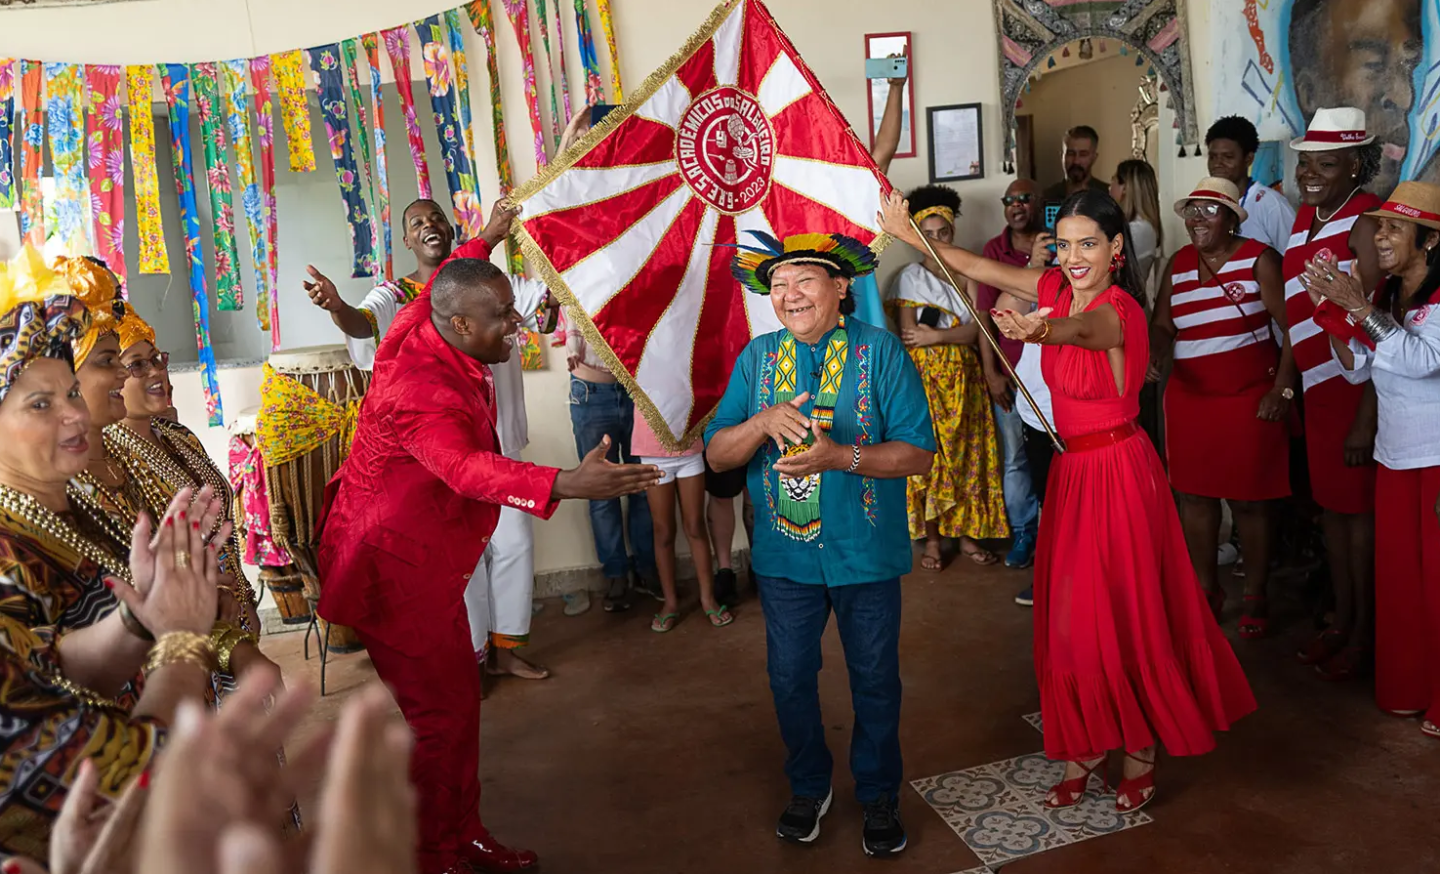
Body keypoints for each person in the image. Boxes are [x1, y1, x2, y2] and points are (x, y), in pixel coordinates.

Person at [880, 188, 1256, 814]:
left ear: (1115, 250)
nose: (1075, 257)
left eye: (1090, 245)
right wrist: (908, 234)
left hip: (1119, 471)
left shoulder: (1120, 310)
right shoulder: (1052, 284)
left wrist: (1041, 329)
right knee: (1074, 614)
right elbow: (974, 265)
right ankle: (1086, 745)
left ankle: (1139, 750)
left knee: (1124, 611)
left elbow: (1083, 330)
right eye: (1066, 245)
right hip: (1075, 474)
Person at [317, 250, 661, 874]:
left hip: (418, 557)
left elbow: (456, 275)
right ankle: (433, 854)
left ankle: (463, 832)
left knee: (455, 707)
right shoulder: (421, 388)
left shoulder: (429, 316)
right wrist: (564, 482)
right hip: (390, 569)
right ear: (460, 327)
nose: (517, 325)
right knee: (438, 718)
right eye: (502, 317)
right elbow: (464, 467)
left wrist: (493, 232)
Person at [706, 231, 934, 857]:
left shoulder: (882, 353)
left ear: (841, 287)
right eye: (778, 285)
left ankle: (879, 793)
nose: (789, 294)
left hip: (865, 551)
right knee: (788, 678)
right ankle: (809, 785)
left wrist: (840, 456)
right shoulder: (756, 359)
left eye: (804, 280)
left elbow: (916, 453)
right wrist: (759, 421)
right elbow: (716, 452)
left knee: (875, 680)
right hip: (785, 559)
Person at [0, 244, 229, 861]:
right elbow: (114, 776)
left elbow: (49, 664)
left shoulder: (71, 501)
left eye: (72, 390)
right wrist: (180, 638)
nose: (75, 413)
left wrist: (141, 618)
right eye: (41, 404)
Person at [307, 200, 555, 679]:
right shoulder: (396, 294)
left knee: (514, 545)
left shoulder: (487, 282)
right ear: (406, 241)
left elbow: (543, 315)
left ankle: (507, 649)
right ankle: (474, 658)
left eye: (435, 218)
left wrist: (565, 276)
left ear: (451, 227)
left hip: (503, 441)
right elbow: (365, 324)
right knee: (460, 560)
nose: (428, 226)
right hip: (441, 458)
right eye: (416, 222)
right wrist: (338, 307)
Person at [1302, 180, 1440, 740]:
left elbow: (1423, 361)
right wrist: (1338, 319)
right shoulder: (1386, 294)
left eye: (1393, 228)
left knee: (1436, 584)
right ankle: (1408, 689)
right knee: (1403, 584)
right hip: (1395, 455)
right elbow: (1360, 368)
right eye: (1378, 226)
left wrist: (1356, 306)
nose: (1379, 237)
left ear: (1429, 242)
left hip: (1435, 458)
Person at [1150, 178, 1295, 638]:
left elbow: (1293, 330)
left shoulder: (1260, 260)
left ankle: (1255, 594)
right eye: (1192, 210)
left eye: (1210, 211)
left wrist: (1284, 390)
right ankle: (1205, 588)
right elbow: (1163, 325)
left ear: (1232, 219)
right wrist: (1153, 354)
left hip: (1249, 396)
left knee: (1250, 501)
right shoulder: (1178, 264)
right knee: (1194, 496)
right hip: (1191, 398)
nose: (1197, 219)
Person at [1283, 107, 1384, 680]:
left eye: (1326, 163)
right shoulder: (1307, 215)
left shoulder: (1365, 221)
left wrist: (1365, 418)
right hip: (1317, 393)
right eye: (1306, 163)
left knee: (1360, 520)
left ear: (1355, 165)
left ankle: (1366, 635)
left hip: (1353, 393)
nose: (1311, 173)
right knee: (1335, 518)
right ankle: (1343, 623)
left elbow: (1378, 321)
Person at [890, 185, 1008, 568]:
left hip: (966, 379)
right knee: (933, 457)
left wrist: (938, 335)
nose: (938, 240)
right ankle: (934, 541)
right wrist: (943, 335)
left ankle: (969, 535)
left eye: (944, 233)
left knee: (968, 455)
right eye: (930, 234)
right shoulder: (909, 277)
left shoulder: (969, 271)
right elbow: (910, 338)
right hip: (926, 382)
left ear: (953, 233)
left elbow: (978, 330)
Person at [977, 179, 1048, 574]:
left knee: (1056, 458)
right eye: (1010, 200)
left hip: (1053, 376)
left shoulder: (1061, 245)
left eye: (1025, 199)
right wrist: (991, 372)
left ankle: (1058, 533)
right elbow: (986, 316)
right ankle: (1024, 534)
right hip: (1011, 375)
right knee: (1016, 459)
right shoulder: (994, 251)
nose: (1017, 206)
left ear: (1039, 204)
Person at [1288, 0, 1421, 194]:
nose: (1405, 98)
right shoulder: (1311, 215)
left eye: (1411, 66)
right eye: (1374, 64)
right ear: (1309, 91)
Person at [632, 416, 731, 632]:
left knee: (695, 525)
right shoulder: (637, 379)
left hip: (690, 448)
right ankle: (670, 602)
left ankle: (708, 599)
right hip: (653, 451)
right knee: (663, 531)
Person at [1206, 116, 1298, 252]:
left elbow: (1294, 259)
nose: (1217, 164)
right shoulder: (1207, 204)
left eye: (1228, 157)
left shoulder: (1271, 205)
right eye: (1212, 157)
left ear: (1248, 159)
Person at [1108, 159, 1165, 287]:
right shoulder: (1136, 226)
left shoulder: (1139, 229)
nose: (1109, 187)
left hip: (1125, 302)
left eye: (1114, 180)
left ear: (1125, 188)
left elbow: (1106, 267)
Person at [1042, 126, 1108, 204]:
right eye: (1070, 154)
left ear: (1094, 158)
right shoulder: (1047, 196)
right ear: (1062, 156)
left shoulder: (1108, 195)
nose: (1076, 161)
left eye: (1083, 154)